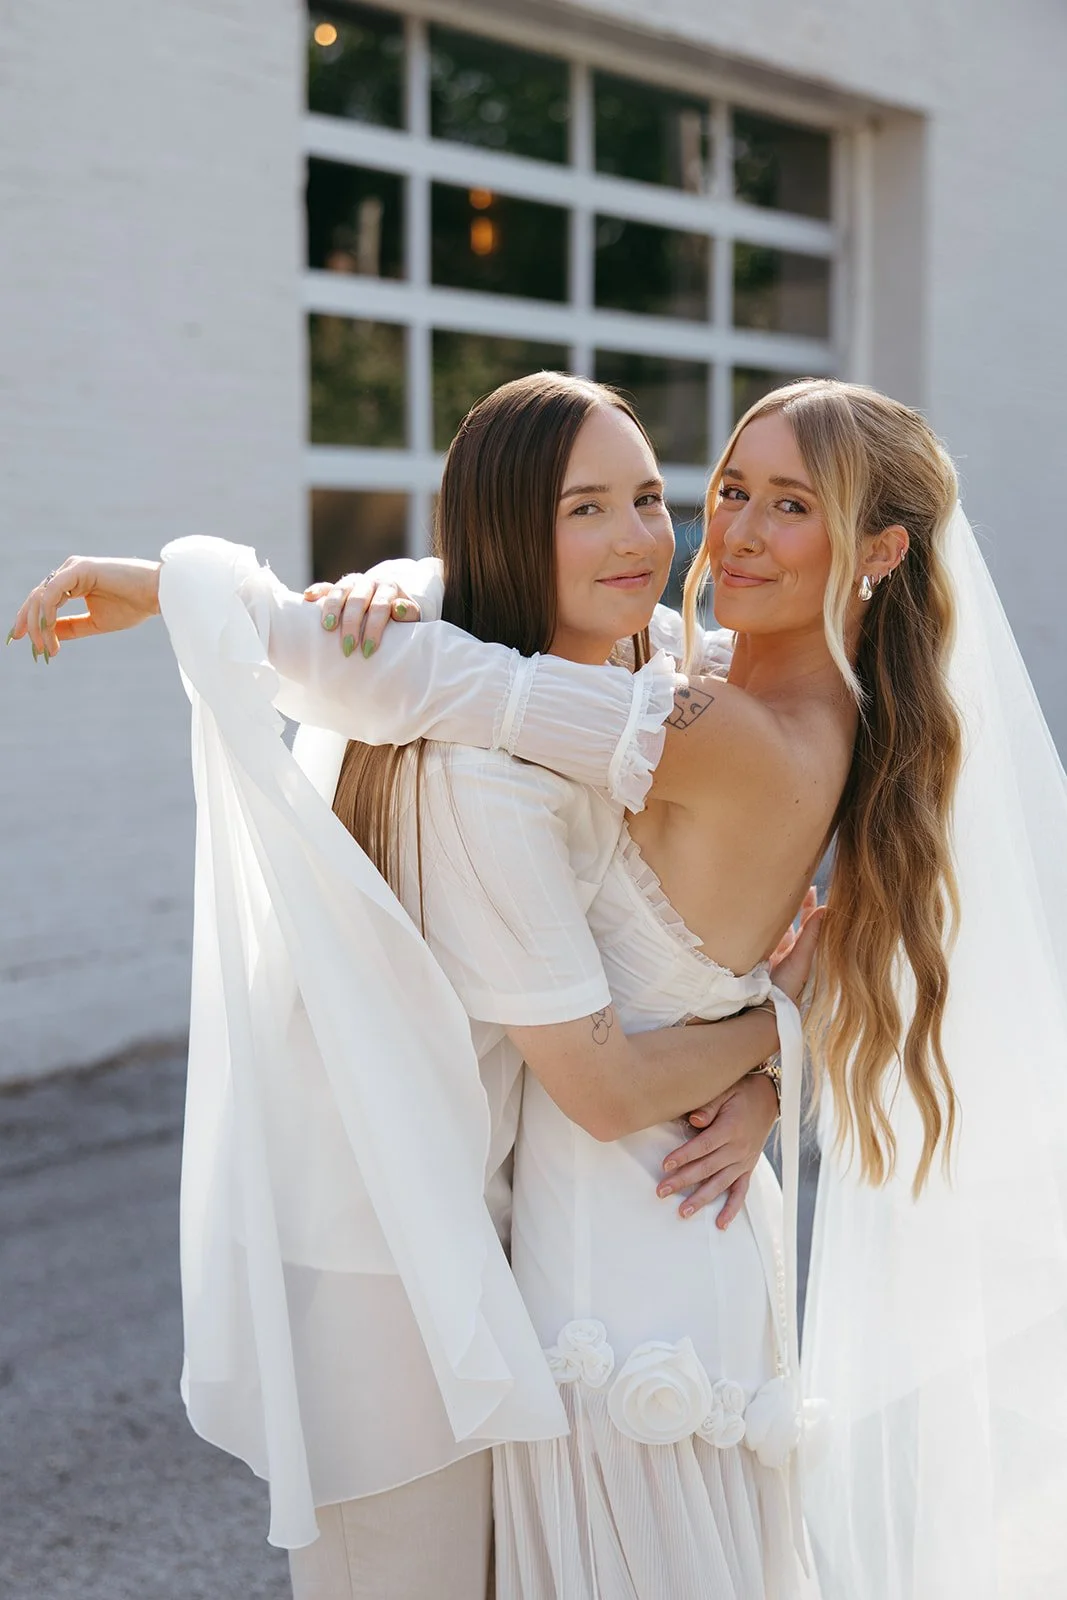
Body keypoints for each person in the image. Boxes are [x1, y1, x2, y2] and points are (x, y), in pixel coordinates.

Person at [10, 375, 819, 1598]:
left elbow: (470, 662)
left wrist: (259, 603)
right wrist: (768, 1035)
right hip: (387, 1246)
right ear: (506, 534)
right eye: (583, 508)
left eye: (650, 498)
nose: (638, 538)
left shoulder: (630, 670)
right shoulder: (482, 772)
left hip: (498, 1217)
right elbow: (599, 1083)